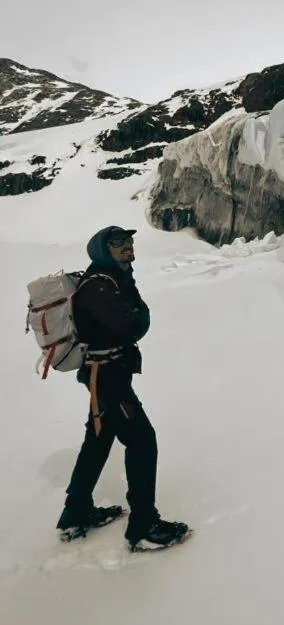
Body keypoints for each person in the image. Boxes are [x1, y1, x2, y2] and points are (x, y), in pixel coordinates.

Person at [56, 225, 188, 550]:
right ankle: (143, 525)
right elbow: (133, 324)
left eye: (129, 242)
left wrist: (135, 305)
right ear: (103, 250)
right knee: (142, 440)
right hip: (108, 376)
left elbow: (134, 316)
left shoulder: (117, 279)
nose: (128, 247)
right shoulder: (99, 287)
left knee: (98, 439)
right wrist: (140, 315)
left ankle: (76, 510)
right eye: (118, 244)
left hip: (108, 373)